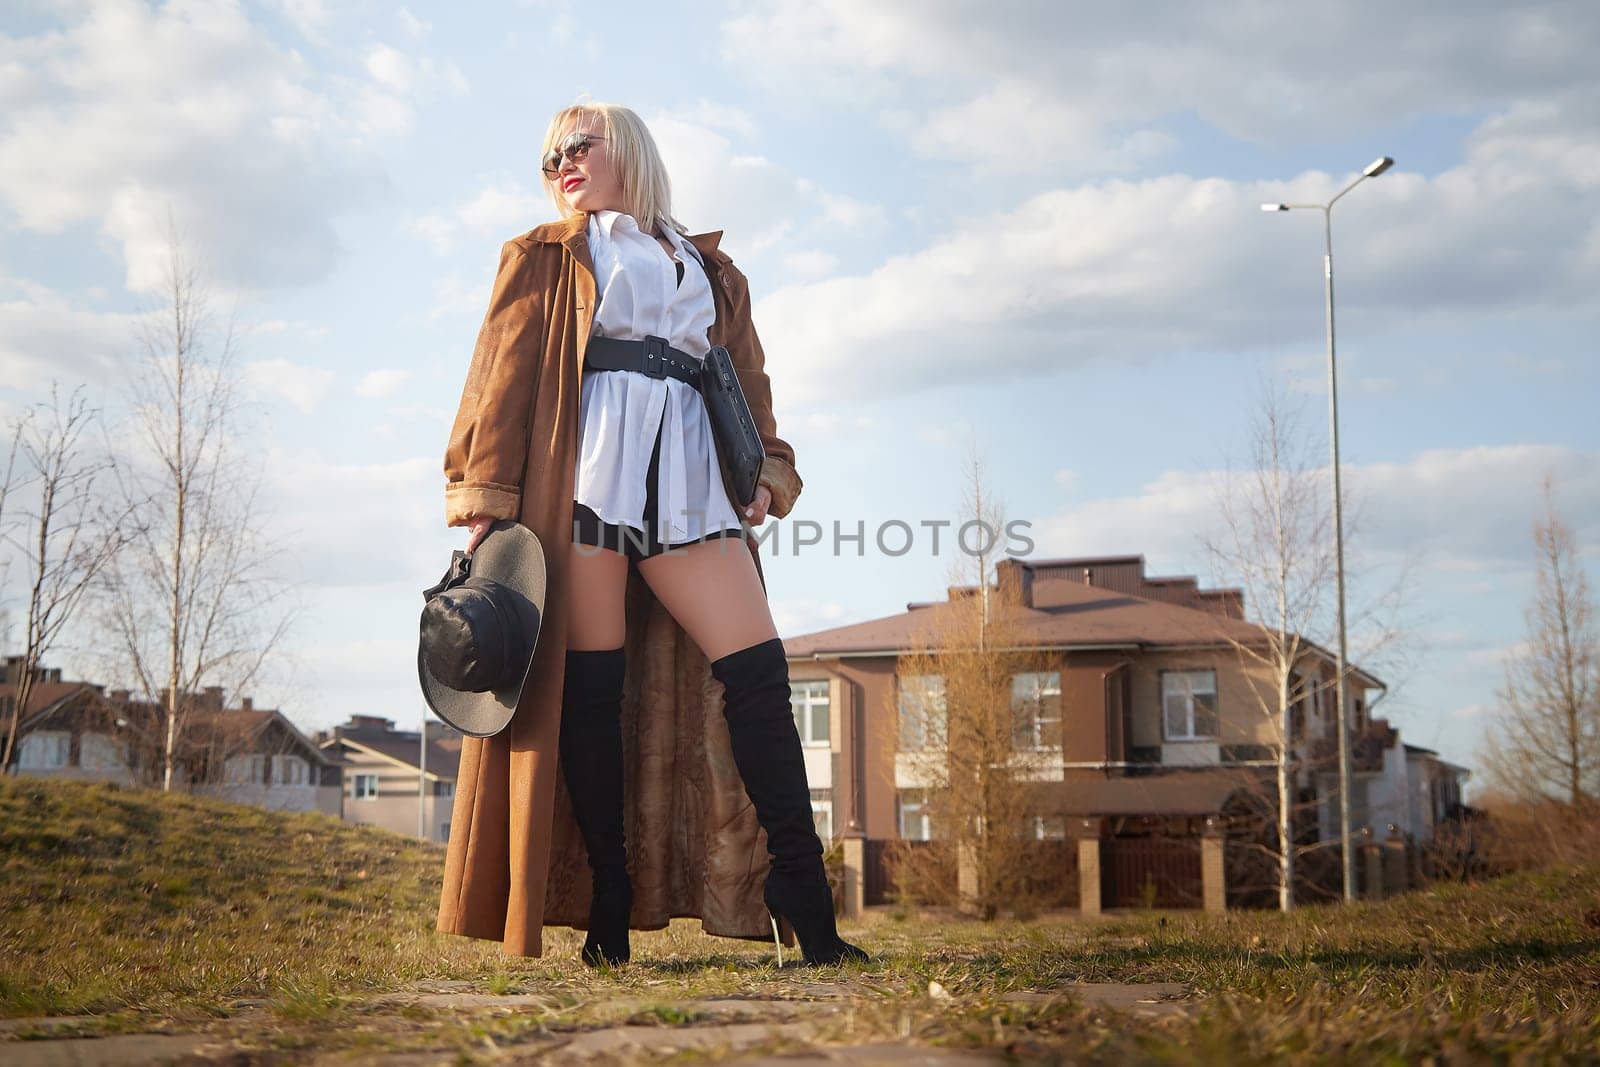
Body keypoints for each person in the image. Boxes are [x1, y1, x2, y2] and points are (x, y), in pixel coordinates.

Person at [436, 100, 869, 969]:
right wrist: (483, 498)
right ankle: (608, 891)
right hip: (583, 481)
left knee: (758, 674)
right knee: (592, 693)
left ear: (625, 148)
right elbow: (499, 381)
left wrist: (769, 472)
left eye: (577, 145)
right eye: (550, 154)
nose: (561, 161)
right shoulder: (545, 256)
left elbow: (748, 384)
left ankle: (800, 885)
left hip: (690, 487)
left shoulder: (708, 269)